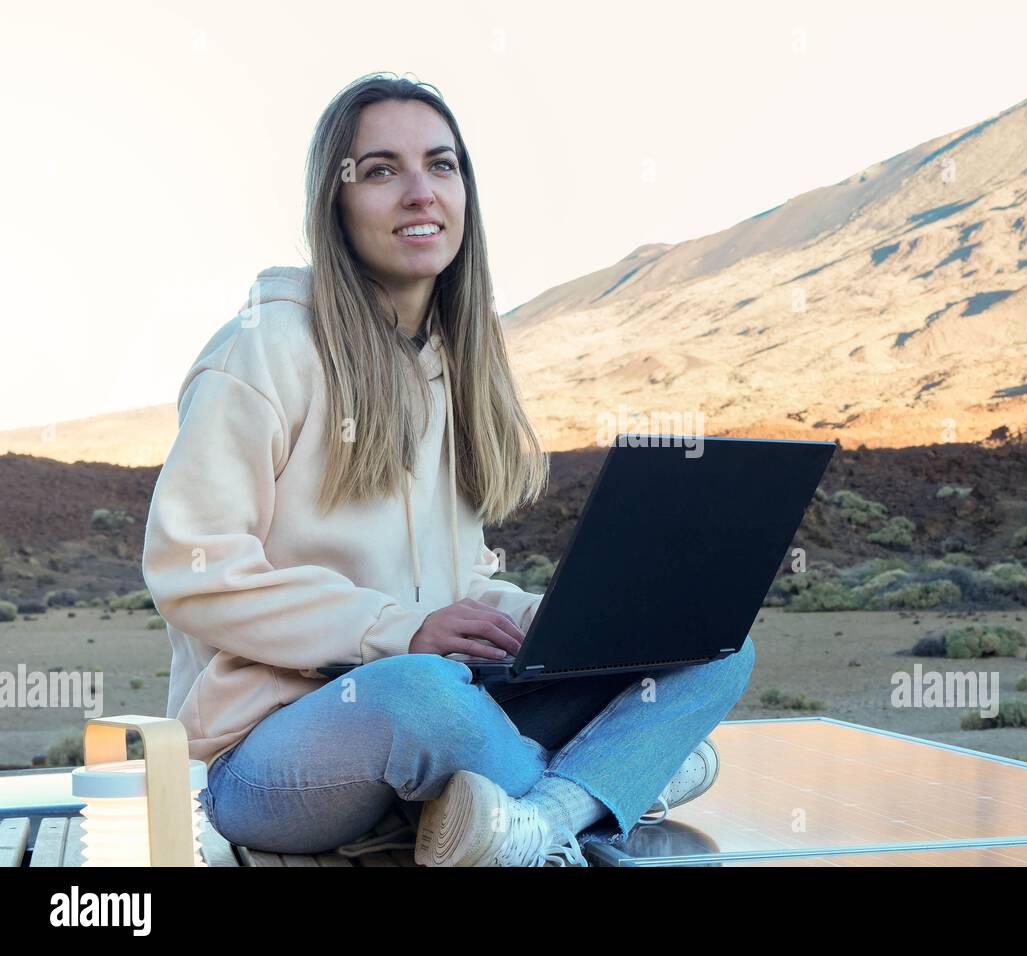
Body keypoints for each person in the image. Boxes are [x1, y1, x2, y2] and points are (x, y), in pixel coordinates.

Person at [140, 72, 755, 867]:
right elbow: (193, 570)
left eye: (442, 165)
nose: (420, 192)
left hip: (444, 715)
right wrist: (394, 631)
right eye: (382, 169)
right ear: (336, 201)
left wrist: (554, 625)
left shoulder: (449, 366)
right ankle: (619, 784)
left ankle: (543, 818)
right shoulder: (263, 349)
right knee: (419, 691)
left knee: (711, 636)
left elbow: (454, 587)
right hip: (275, 755)